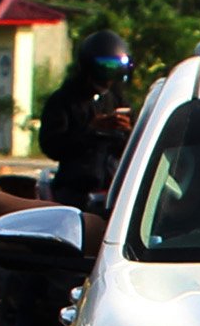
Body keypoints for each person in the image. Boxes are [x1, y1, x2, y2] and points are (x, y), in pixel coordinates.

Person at [38, 28, 139, 213]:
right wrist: (90, 130)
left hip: (115, 186)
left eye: (116, 67)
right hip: (74, 189)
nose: (109, 77)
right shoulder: (64, 100)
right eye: (105, 67)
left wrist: (128, 132)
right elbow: (51, 145)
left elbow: (131, 149)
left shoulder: (117, 99)